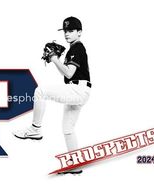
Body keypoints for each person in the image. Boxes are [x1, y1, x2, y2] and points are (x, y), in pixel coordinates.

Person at [14, 16, 91, 174]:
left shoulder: (78, 47)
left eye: (71, 31)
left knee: (40, 91)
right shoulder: (73, 49)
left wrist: (55, 59)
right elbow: (67, 74)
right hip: (78, 90)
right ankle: (75, 165)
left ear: (79, 32)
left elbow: (69, 74)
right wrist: (56, 60)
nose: (67, 34)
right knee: (68, 129)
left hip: (77, 90)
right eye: (65, 31)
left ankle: (35, 129)